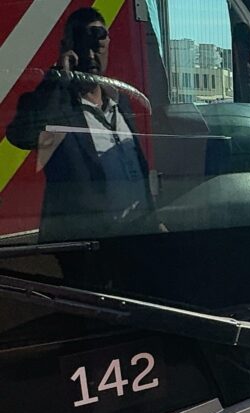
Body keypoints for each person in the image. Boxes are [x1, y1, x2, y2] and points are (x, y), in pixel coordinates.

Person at [6, 7, 154, 243]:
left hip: (134, 237)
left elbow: (136, 170)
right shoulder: (56, 105)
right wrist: (58, 78)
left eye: (97, 46)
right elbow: (22, 136)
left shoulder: (121, 102)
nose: (91, 56)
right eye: (83, 47)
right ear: (68, 48)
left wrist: (153, 220)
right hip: (84, 248)